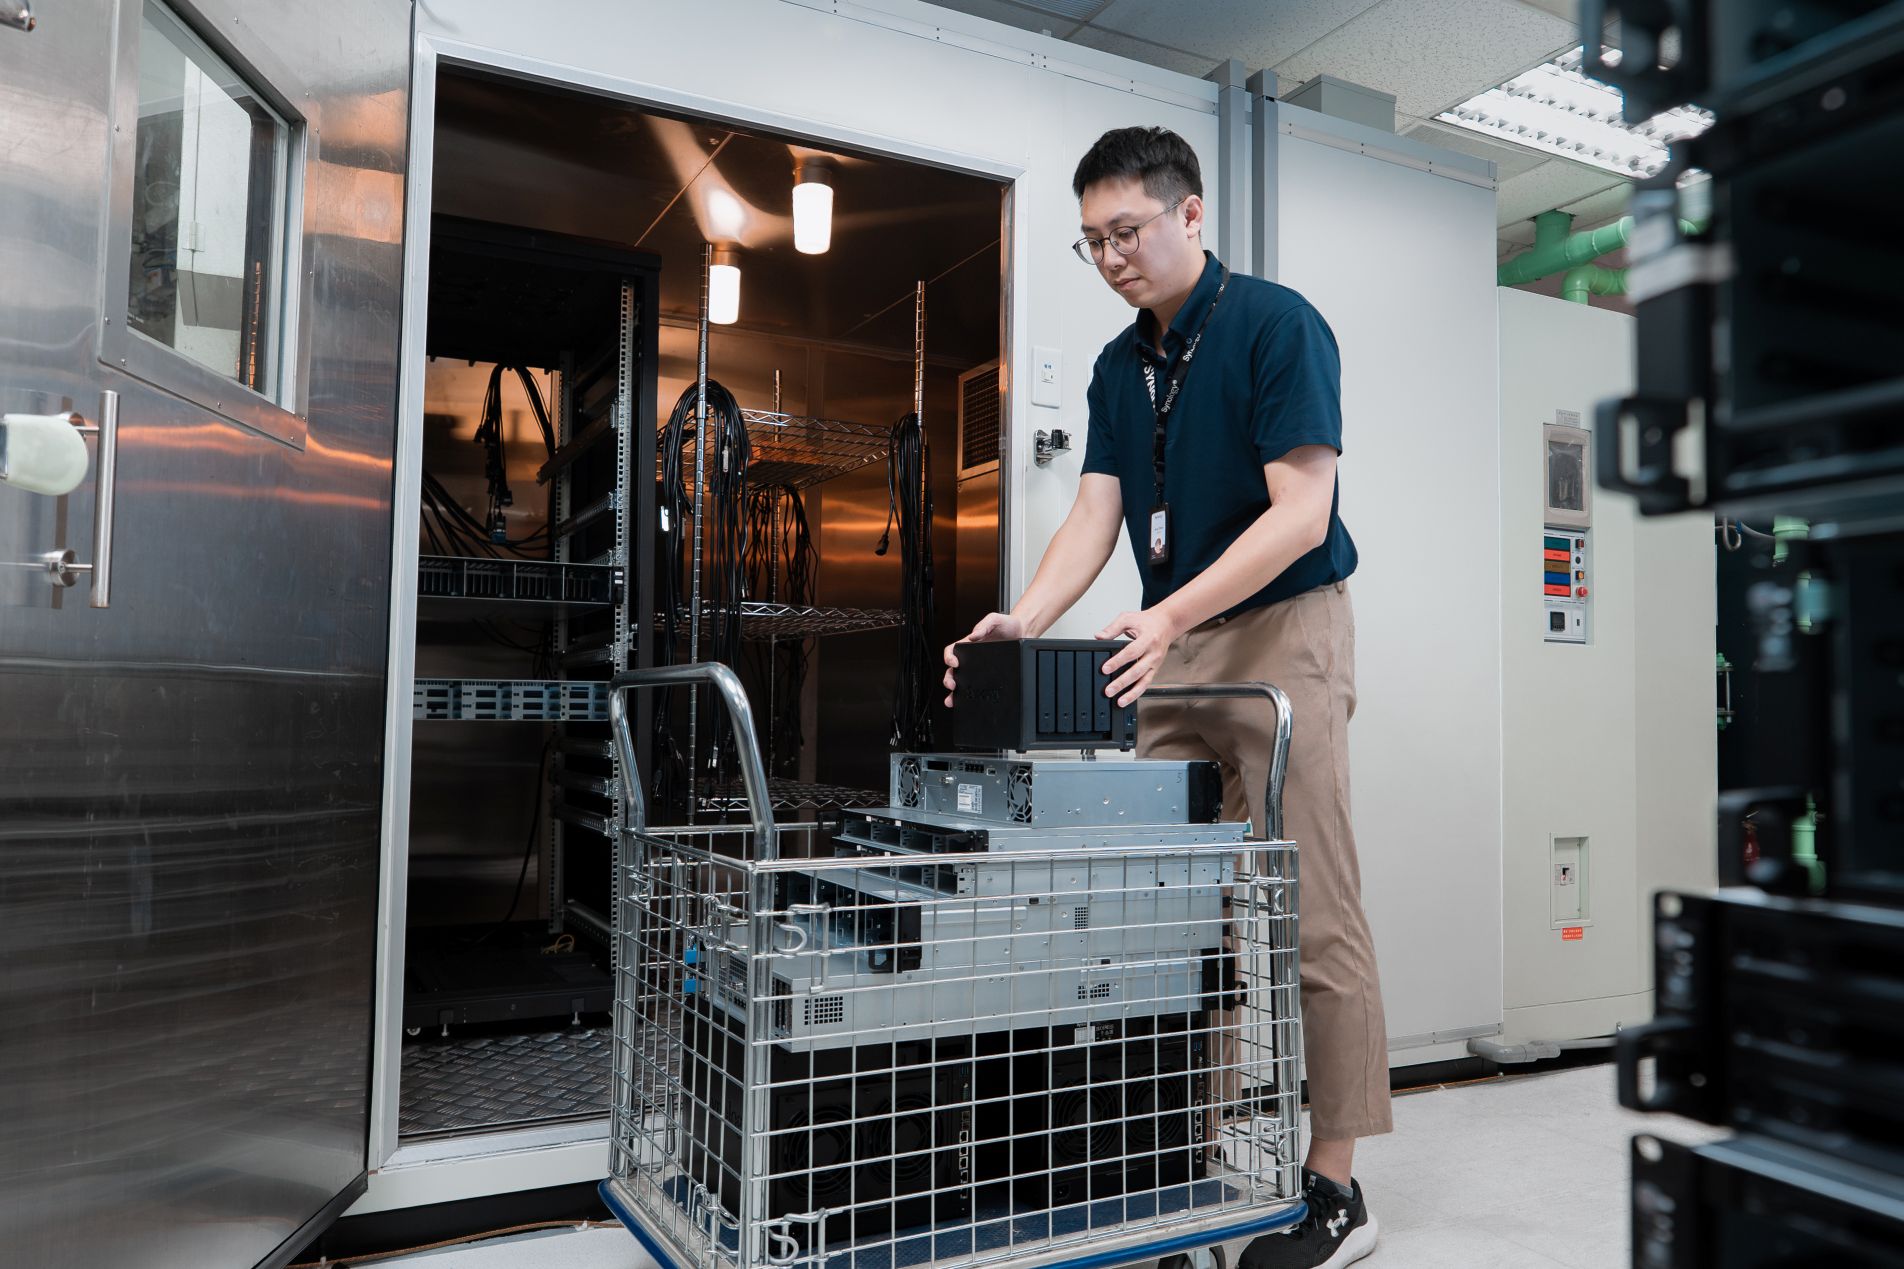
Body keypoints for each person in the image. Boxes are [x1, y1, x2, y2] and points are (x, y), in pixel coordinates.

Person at [942, 126, 1390, 1269]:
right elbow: (1096, 509)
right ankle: (1178, 1161)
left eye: (1126, 232)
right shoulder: (1112, 366)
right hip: (1168, 643)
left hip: (1281, 628)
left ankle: (1332, 1186)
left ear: (1189, 216)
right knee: (1167, 917)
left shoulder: (1274, 325)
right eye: (1091, 240)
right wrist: (1025, 620)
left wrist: (1173, 613)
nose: (1110, 257)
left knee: (1308, 905)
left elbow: (1298, 511)